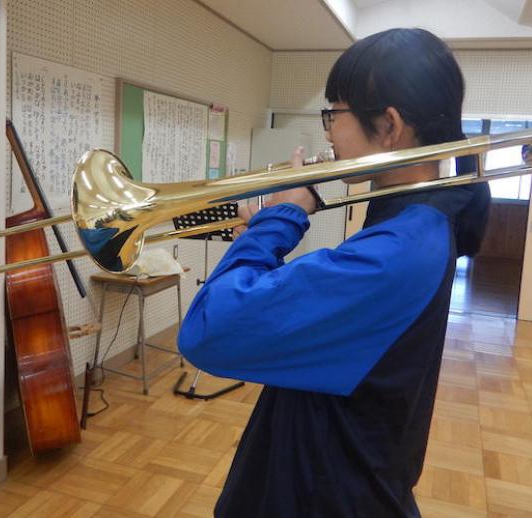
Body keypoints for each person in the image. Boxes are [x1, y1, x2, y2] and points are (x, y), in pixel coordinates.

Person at [178, 27, 491, 517]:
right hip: (338, 468)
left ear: (388, 125)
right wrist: (260, 243)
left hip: (327, 489)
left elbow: (206, 333)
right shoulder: (421, 216)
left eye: (334, 112)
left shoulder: (401, 247)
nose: (327, 131)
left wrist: (274, 225)